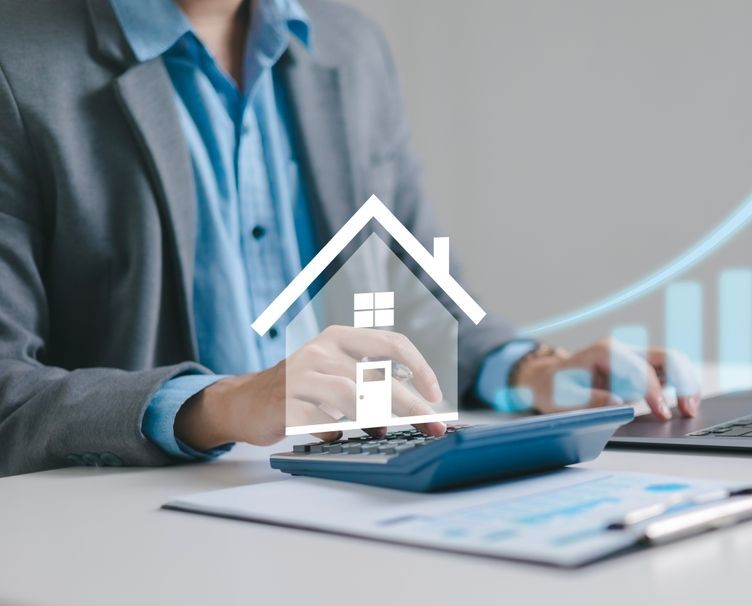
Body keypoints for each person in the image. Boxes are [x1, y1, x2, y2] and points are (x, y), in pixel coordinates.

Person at [0, 0, 700, 476]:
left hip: (352, 490)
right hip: (139, 532)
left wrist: (533, 370)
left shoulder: (348, 47)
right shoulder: (18, 65)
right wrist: (222, 405)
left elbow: (422, 297)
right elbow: (10, 393)